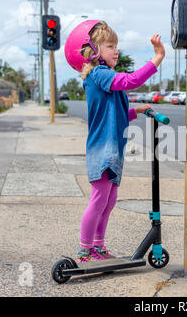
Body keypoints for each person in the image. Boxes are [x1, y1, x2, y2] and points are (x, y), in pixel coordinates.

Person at [64, 20, 165, 263]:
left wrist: (137, 111)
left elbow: (115, 115)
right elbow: (131, 81)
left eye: (116, 46)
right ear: (93, 51)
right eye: (110, 46)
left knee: (108, 203)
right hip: (102, 149)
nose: (116, 50)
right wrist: (157, 57)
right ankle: (84, 249)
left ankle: (97, 246)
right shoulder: (99, 74)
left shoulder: (104, 77)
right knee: (98, 201)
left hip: (112, 149)